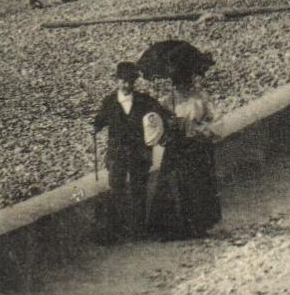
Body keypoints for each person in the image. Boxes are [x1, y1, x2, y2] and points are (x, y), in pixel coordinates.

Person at [91, 62, 166, 241]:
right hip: (117, 153)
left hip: (139, 152)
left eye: (130, 81)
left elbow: (158, 115)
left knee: (139, 189)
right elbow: (100, 119)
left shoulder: (144, 100)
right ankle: (119, 229)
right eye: (123, 81)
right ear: (116, 81)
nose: (127, 85)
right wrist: (94, 127)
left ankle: (138, 229)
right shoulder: (109, 102)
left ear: (135, 82)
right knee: (117, 188)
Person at [146, 64, 222, 240]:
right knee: (174, 185)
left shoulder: (201, 98)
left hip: (197, 146)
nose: (181, 86)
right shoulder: (167, 102)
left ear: (189, 81)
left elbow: (216, 119)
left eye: (184, 82)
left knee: (198, 185)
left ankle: (198, 225)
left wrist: (203, 129)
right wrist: (166, 128)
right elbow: (156, 124)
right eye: (177, 83)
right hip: (176, 148)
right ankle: (175, 228)